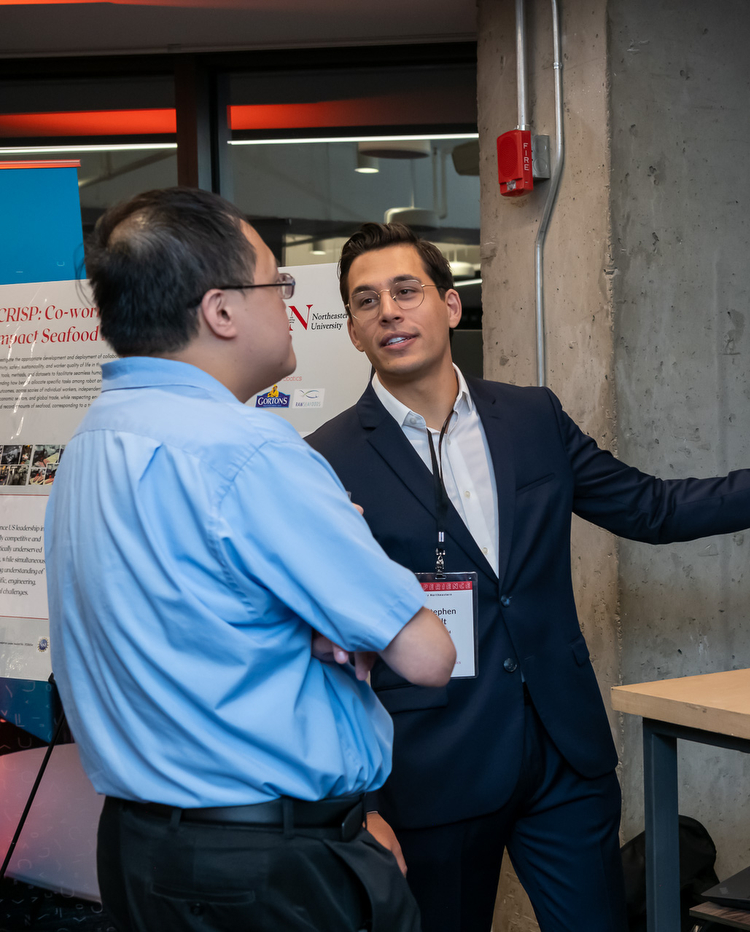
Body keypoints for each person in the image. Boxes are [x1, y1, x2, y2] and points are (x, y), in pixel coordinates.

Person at [305, 222, 750, 932]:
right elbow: (324, 650)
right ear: (355, 333)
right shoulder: (325, 460)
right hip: (430, 770)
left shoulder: (530, 417)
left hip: (563, 754)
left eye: (406, 291)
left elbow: (653, 507)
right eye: (366, 303)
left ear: (451, 306)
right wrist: (358, 807)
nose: (389, 311)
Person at [45, 189, 457, 932]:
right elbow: (427, 652)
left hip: (144, 850)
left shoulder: (92, 442)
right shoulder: (246, 451)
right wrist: (337, 613)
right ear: (222, 311)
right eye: (278, 283)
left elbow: (187, 623)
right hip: (266, 871)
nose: (290, 304)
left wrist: (303, 619)